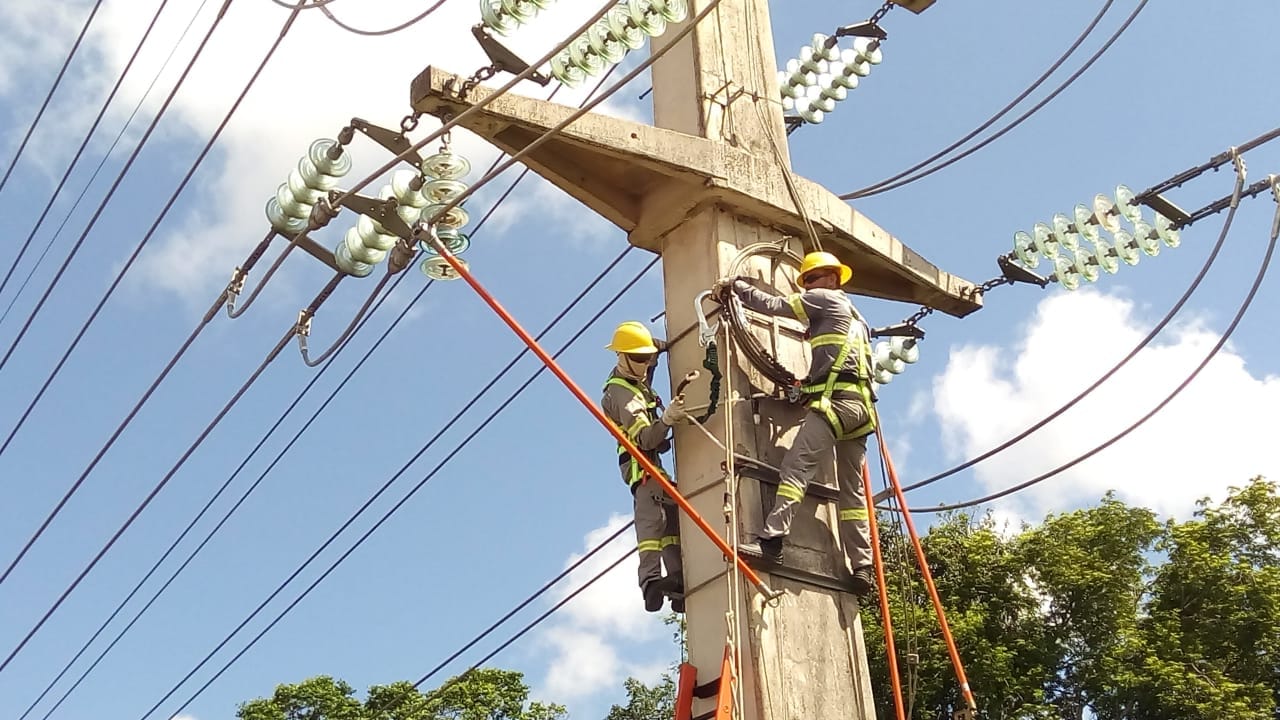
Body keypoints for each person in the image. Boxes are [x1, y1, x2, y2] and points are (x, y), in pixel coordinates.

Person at [715, 251, 878, 597]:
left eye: (812, 280)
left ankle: (772, 542)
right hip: (862, 410)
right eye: (806, 282)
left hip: (837, 405)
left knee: (795, 469)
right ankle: (862, 567)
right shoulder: (857, 319)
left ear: (831, 279)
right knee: (853, 493)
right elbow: (839, 366)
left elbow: (773, 305)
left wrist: (736, 287)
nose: (808, 287)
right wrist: (806, 387)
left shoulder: (823, 299)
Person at [600, 321, 690, 612]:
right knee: (651, 521)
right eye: (640, 358)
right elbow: (646, 438)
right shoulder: (622, 393)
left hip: (655, 465)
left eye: (647, 357)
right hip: (641, 464)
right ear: (622, 357)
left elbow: (652, 351)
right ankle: (651, 583)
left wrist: (662, 345)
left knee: (673, 523)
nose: (646, 363)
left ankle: (678, 579)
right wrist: (667, 420)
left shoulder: (638, 375)